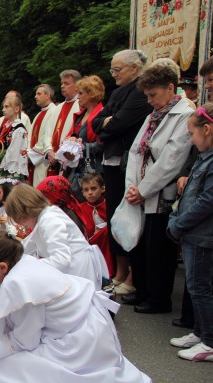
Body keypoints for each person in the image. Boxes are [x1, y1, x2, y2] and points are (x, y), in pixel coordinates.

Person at [0, 229, 152, 383]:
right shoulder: (22, 261)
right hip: (89, 328)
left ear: (2, 267)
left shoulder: (17, 283)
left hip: (78, 341)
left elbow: (25, 341)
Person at [123, 64, 193, 315]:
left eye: (153, 95)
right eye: (148, 95)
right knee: (141, 245)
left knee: (159, 249)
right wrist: (133, 186)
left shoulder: (184, 114)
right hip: (141, 190)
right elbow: (135, 151)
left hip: (160, 192)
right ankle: (142, 290)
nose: (150, 101)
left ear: (171, 88)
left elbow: (171, 159)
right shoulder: (153, 115)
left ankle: (158, 298)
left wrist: (143, 189)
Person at [92, 50, 152, 300]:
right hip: (112, 159)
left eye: (118, 69)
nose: (114, 74)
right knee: (115, 213)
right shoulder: (118, 92)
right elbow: (96, 123)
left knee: (128, 216)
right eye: (112, 70)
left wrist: (108, 123)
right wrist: (108, 123)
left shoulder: (139, 92)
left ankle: (131, 275)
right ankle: (119, 271)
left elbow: (118, 123)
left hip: (128, 161)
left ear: (135, 68)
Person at [167, 103, 213, 361]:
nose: (191, 139)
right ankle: (201, 333)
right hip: (194, 232)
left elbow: (208, 201)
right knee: (195, 286)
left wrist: (179, 223)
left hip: (203, 234)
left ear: (208, 129)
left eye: (192, 134)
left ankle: (212, 342)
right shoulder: (209, 158)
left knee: (200, 288)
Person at [5, 183, 108, 290]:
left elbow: (61, 259)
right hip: (72, 270)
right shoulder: (43, 218)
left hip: (77, 273)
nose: (20, 224)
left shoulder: (49, 221)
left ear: (26, 211)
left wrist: (29, 266)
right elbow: (27, 246)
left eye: (19, 219)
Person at [60, 75, 106, 197]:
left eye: (80, 93)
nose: (78, 97)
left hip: (92, 171)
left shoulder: (102, 115)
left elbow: (102, 145)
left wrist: (80, 146)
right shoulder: (80, 115)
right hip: (75, 170)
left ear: (91, 94)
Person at [0, 93, 29, 193]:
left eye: (6, 107)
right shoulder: (4, 126)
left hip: (9, 167)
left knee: (8, 197)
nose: (3, 110)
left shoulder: (19, 129)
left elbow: (12, 152)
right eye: (3, 107)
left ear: (16, 109)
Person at [45, 71, 82, 177]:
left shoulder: (80, 106)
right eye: (62, 83)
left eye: (66, 83)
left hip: (68, 161)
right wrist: (49, 151)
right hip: (53, 159)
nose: (62, 86)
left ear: (77, 86)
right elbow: (47, 134)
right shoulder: (57, 109)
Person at [78, 173, 115, 280]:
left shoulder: (109, 206)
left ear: (102, 189)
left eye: (93, 188)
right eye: (86, 190)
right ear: (82, 193)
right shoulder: (80, 209)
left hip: (107, 246)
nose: (90, 193)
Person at [27, 85, 56, 186]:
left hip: (44, 161)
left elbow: (48, 135)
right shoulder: (39, 114)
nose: (35, 96)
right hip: (34, 161)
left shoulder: (54, 112)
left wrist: (32, 154)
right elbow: (30, 136)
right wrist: (28, 152)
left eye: (39, 94)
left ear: (48, 95)